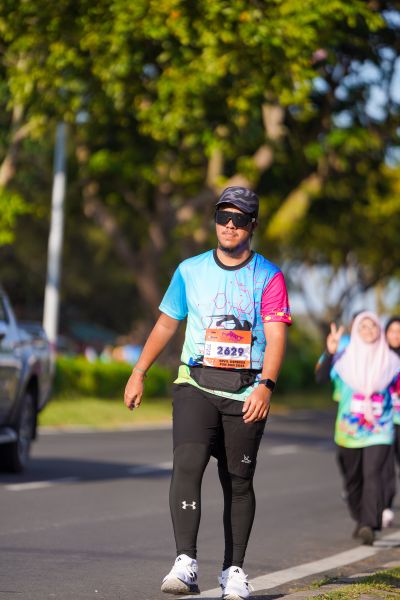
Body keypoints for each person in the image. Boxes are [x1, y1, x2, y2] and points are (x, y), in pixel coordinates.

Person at [124, 186, 291, 599]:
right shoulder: (190, 270)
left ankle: (234, 571)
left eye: (239, 219)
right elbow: (167, 323)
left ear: (252, 225)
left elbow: (276, 335)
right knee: (187, 463)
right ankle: (185, 563)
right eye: (223, 217)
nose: (229, 225)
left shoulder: (268, 276)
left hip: (246, 391)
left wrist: (266, 386)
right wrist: (139, 371)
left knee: (238, 480)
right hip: (195, 383)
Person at [315, 311, 400, 545]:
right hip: (349, 430)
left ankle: (368, 524)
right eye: (363, 326)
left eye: (373, 326)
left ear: (379, 330)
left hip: (380, 428)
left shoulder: (391, 361)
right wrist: (330, 352)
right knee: (353, 478)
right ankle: (360, 516)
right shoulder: (343, 357)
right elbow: (321, 378)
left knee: (373, 474)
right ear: (355, 330)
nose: (368, 330)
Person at [381, 316, 400, 527]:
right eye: (392, 331)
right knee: (385, 464)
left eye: (399, 331)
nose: (396, 335)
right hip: (384, 419)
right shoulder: (380, 357)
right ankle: (385, 505)